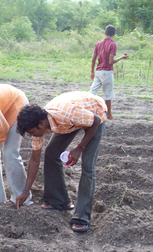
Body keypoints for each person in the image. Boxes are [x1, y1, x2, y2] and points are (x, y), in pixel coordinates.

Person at [15, 91, 107, 233]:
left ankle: (82, 217)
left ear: (41, 123)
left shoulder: (66, 115)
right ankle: (58, 200)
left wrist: (79, 148)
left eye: (32, 132)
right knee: (51, 154)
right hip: (73, 120)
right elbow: (34, 159)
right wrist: (26, 191)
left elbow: (94, 120)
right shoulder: (40, 124)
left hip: (95, 113)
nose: (32, 136)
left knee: (87, 165)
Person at [89, 24, 128, 120]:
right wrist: (122, 57)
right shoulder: (112, 44)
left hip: (98, 71)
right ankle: (109, 114)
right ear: (114, 34)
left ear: (105, 33)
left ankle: (88, 110)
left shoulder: (98, 44)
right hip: (107, 72)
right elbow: (111, 62)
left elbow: (94, 59)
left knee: (92, 92)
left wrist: (92, 72)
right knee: (108, 93)